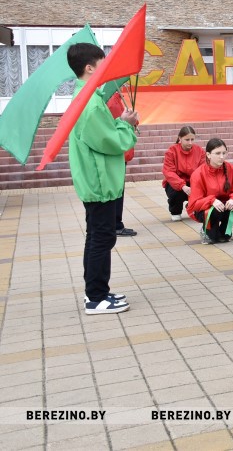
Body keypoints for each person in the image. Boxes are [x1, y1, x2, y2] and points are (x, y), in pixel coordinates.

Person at [67, 43, 138, 315]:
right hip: (99, 182)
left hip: (96, 181)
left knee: (97, 236)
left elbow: (104, 134)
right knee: (102, 238)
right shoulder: (90, 103)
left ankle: (96, 292)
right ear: (89, 67)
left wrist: (120, 121)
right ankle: (95, 297)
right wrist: (127, 125)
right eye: (102, 62)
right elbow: (111, 141)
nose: (106, 67)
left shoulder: (87, 97)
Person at [188, 138, 233, 244]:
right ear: (208, 155)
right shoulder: (198, 174)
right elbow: (194, 204)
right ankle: (206, 231)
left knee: (225, 237)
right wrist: (212, 201)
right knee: (213, 238)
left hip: (226, 206)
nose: (221, 157)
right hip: (207, 208)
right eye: (217, 153)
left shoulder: (232, 169)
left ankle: (224, 232)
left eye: (224, 153)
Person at [106, 91, 138, 237]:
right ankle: (115, 224)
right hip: (119, 152)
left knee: (118, 189)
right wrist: (130, 122)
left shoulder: (116, 98)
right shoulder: (112, 100)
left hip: (121, 152)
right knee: (117, 190)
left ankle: (115, 223)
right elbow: (119, 124)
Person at [162, 126, 205, 221]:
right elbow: (169, 172)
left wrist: (196, 185)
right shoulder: (172, 151)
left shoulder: (200, 151)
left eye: (192, 139)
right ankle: (176, 211)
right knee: (175, 192)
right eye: (187, 140)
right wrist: (182, 186)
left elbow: (202, 170)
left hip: (194, 181)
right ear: (180, 138)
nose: (190, 143)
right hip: (176, 182)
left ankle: (195, 207)